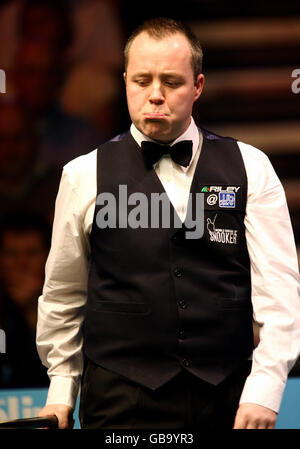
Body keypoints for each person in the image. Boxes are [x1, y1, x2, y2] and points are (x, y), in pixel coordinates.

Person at [36, 17, 300, 429]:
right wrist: (60, 389)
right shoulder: (82, 174)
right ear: (125, 82)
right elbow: (62, 294)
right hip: (120, 401)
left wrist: (265, 388)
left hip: (226, 399)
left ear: (197, 86)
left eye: (171, 82)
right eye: (142, 80)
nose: (155, 95)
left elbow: (280, 292)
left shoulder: (251, 167)